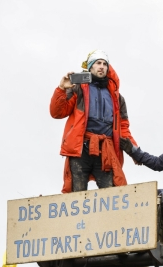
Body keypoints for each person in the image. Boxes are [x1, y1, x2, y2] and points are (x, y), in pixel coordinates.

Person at [50, 50, 137, 193]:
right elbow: (57, 113)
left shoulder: (117, 98)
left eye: (104, 64)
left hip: (105, 150)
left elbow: (123, 127)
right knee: (76, 194)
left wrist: (134, 150)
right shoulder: (77, 88)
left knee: (112, 194)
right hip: (80, 150)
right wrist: (61, 89)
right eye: (98, 63)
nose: (101, 66)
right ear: (90, 67)